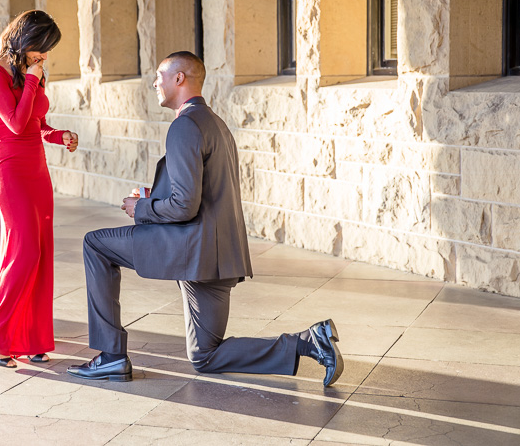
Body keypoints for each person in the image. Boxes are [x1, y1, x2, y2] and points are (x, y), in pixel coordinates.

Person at [67, 51, 343, 385]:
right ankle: (309, 342)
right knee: (205, 355)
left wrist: (140, 209)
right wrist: (152, 198)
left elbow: (184, 205)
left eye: (160, 75)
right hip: (220, 258)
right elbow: (202, 191)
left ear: (179, 79)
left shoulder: (184, 126)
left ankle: (110, 356)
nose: (155, 82)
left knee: (95, 245)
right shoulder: (215, 123)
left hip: (193, 247)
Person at [0, 10, 80, 368]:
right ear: (24, 41)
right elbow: (16, 124)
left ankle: (32, 338)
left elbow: (36, 123)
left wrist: (58, 135)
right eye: (42, 48)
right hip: (10, 172)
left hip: (37, 172)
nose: (45, 56)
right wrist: (34, 79)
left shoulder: (28, 73)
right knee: (24, 253)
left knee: (41, 253)